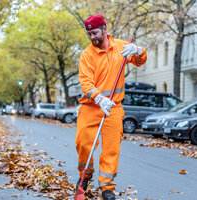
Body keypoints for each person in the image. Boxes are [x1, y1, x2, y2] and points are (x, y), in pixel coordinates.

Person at [75, 14, 147, 200]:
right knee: (83, 144)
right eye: (89, 34)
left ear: (105, 30)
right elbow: (86, 82)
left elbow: (140, 61)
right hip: (91, 107)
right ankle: (86, 174)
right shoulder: (87, 55)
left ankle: (107, 187)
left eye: (95, 33)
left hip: (114, 108)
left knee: (111, 148)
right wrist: (99, 98)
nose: (92, 37)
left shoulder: (122, 48)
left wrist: (138, 50)